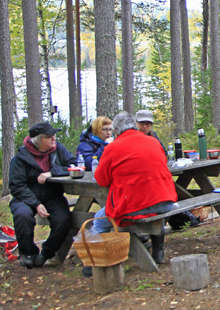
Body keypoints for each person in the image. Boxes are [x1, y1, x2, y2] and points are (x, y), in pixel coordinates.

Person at [85, 112, 177, 276]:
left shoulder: (112, 148)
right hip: (166, 201)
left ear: (116, 131)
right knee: (150, 204)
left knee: (100, 220)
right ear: (134, 126)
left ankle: (92, 262)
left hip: (135, 206)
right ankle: (158, 252)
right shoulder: (153, 141)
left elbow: (101, 179)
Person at [10, 122, 77, 268]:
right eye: (49, 137)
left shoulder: (59, 149)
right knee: (22, 215)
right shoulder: (20, 158)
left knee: (63, 219)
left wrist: (52, 173)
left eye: (54, 136)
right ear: (38, 140)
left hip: (53, 195)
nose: (54, 139)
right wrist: (36, 203)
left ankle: (47, 253)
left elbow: (75, 165)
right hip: (26, 197)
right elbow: (17, 186)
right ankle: (28, 253)